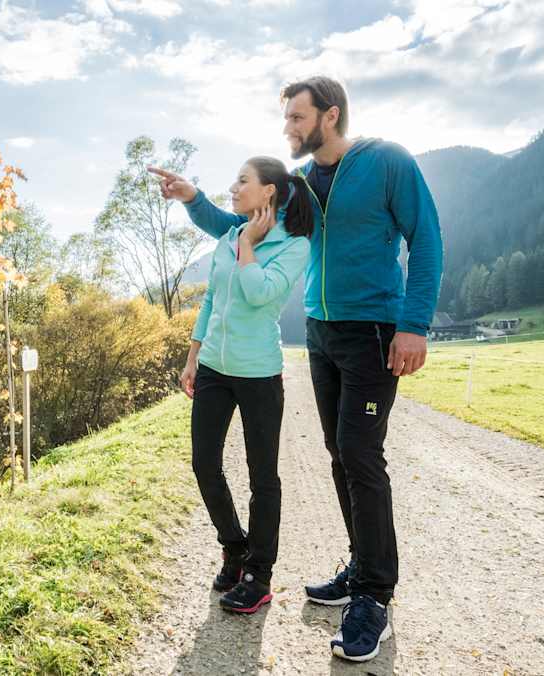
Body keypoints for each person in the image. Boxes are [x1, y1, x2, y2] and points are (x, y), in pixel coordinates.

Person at [151, 75, 443, 662]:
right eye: (286, 118)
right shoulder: (303, 184)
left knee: (361, 452)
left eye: (297, 118)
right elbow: (240, 226)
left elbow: (427, 238)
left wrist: (414, 324)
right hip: (320, 332)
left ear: (329, 117)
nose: (287, 128)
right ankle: (362, 566)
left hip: (375, 329)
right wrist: (193, 199)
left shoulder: (388, 162)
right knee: (339, 451)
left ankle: (375, 596)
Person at [178, 156, 312, 615]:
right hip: (214, 366)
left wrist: (251, 245)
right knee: (203, 464)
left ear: (268, 190)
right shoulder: (230, 236)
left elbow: (260, 294)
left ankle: (259, 574)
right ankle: (233, 547)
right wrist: (194, 355)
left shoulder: (294, 245)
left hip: (258, 373)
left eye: (242, 181)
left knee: (263, 478)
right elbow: (213, 297)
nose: (233, 188)